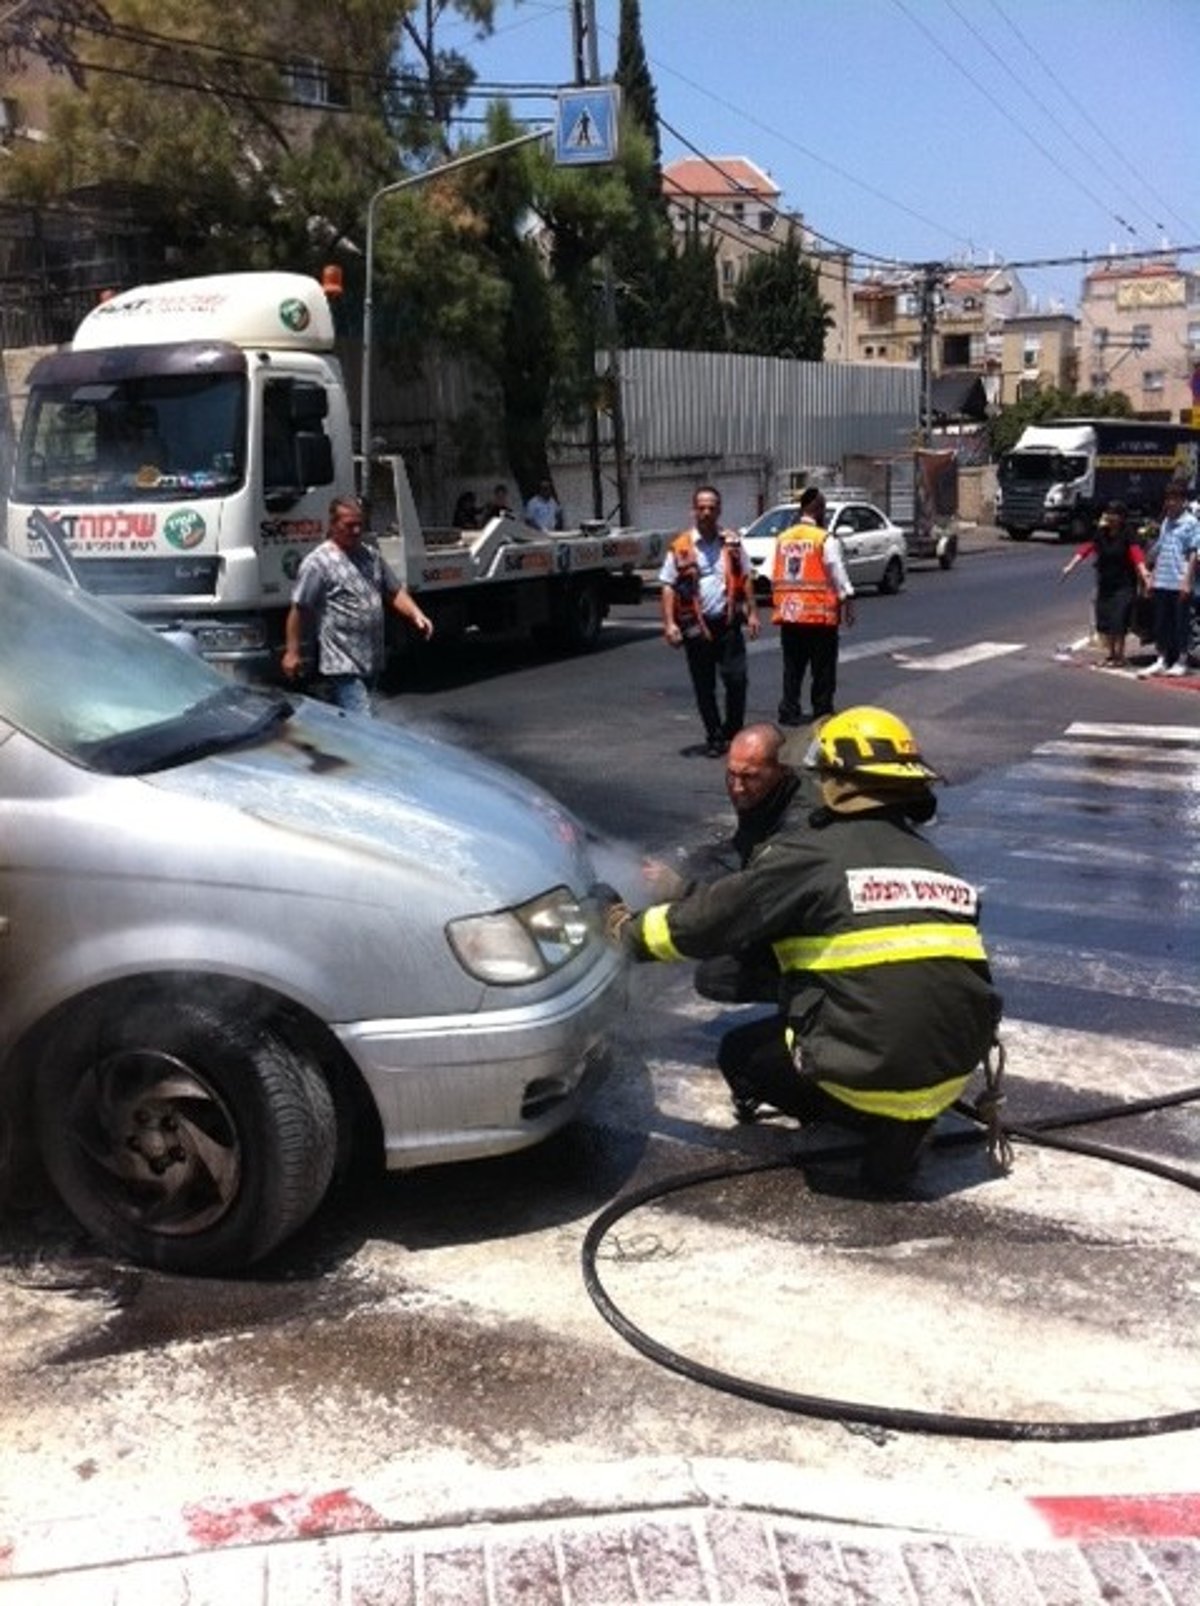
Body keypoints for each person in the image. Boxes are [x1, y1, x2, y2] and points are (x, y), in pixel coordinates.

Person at [610, 706, 1002, 1194]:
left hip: (871, 1073)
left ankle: (870, 1123)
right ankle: (907, 1118)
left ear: (835, 781)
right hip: (948, 1075)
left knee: (741, 1057)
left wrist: (626, 934)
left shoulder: (813, 849)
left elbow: (712, 922)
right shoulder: (939, 865)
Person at [282, 495, 433, 715]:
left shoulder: (369, 556)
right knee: (364, 720)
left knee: (352, 723)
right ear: (333, 525)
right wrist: (292, 652)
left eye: (359, 525)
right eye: (349, 525)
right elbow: (300, 608)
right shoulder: (318, 563)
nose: (355, 531)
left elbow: (393, 590)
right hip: (342, 663)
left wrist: (416, 614)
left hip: (371, 660)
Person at [659, 484, 759, 757]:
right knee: (704, 686)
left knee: (737, 679)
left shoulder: (733, 543)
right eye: (701, 507)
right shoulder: (681, 547)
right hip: (695, 625)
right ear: (693, 511)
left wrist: (751, 612)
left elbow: (746, 577)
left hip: (727, 623)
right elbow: (668, 585)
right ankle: (714, 737)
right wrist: (670, 623)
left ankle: (732, 731)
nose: (706, 512)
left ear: (719, 510)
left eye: (712, 508)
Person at [770, 486, 854, 728]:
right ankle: (822, 710)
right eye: (824, 509)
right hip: (819, 616)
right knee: (823, 669)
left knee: (792, 668)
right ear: (818, 510)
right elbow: (836, 571)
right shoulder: (824, 539)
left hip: (790, 615)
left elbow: (771, 572)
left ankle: (788, 709)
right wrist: (848, 598)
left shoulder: (783, 539)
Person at [1059, 501, 1151, 668]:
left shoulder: (1128, 534)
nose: (1111, 517)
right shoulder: (1101, 533)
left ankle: (1120, 655)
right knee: (1105, 620)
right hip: (1106, 583)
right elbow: (1087, 549)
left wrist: (1145, 574)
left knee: (1119, 619)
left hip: (1124, 584)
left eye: (1114, 514)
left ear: (1122, 517)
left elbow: (1136, 554)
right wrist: (1071, 566)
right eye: (1108, 513)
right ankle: (1111, 654)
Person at [1138, 481, 1200, 678]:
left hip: (1179, 578)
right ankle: (1162, 659)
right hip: (1162, 579)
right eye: (1169, 499)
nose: (1171, 503)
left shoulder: (1191, 523)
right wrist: (1152, 578)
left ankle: (1182, 660)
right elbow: (1161, 551)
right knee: (1162, 623)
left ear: (1183, 501)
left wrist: (1187, 581)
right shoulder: (1166, 522)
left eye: (1175, 499)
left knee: (1181, 622)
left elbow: (1193, 554)